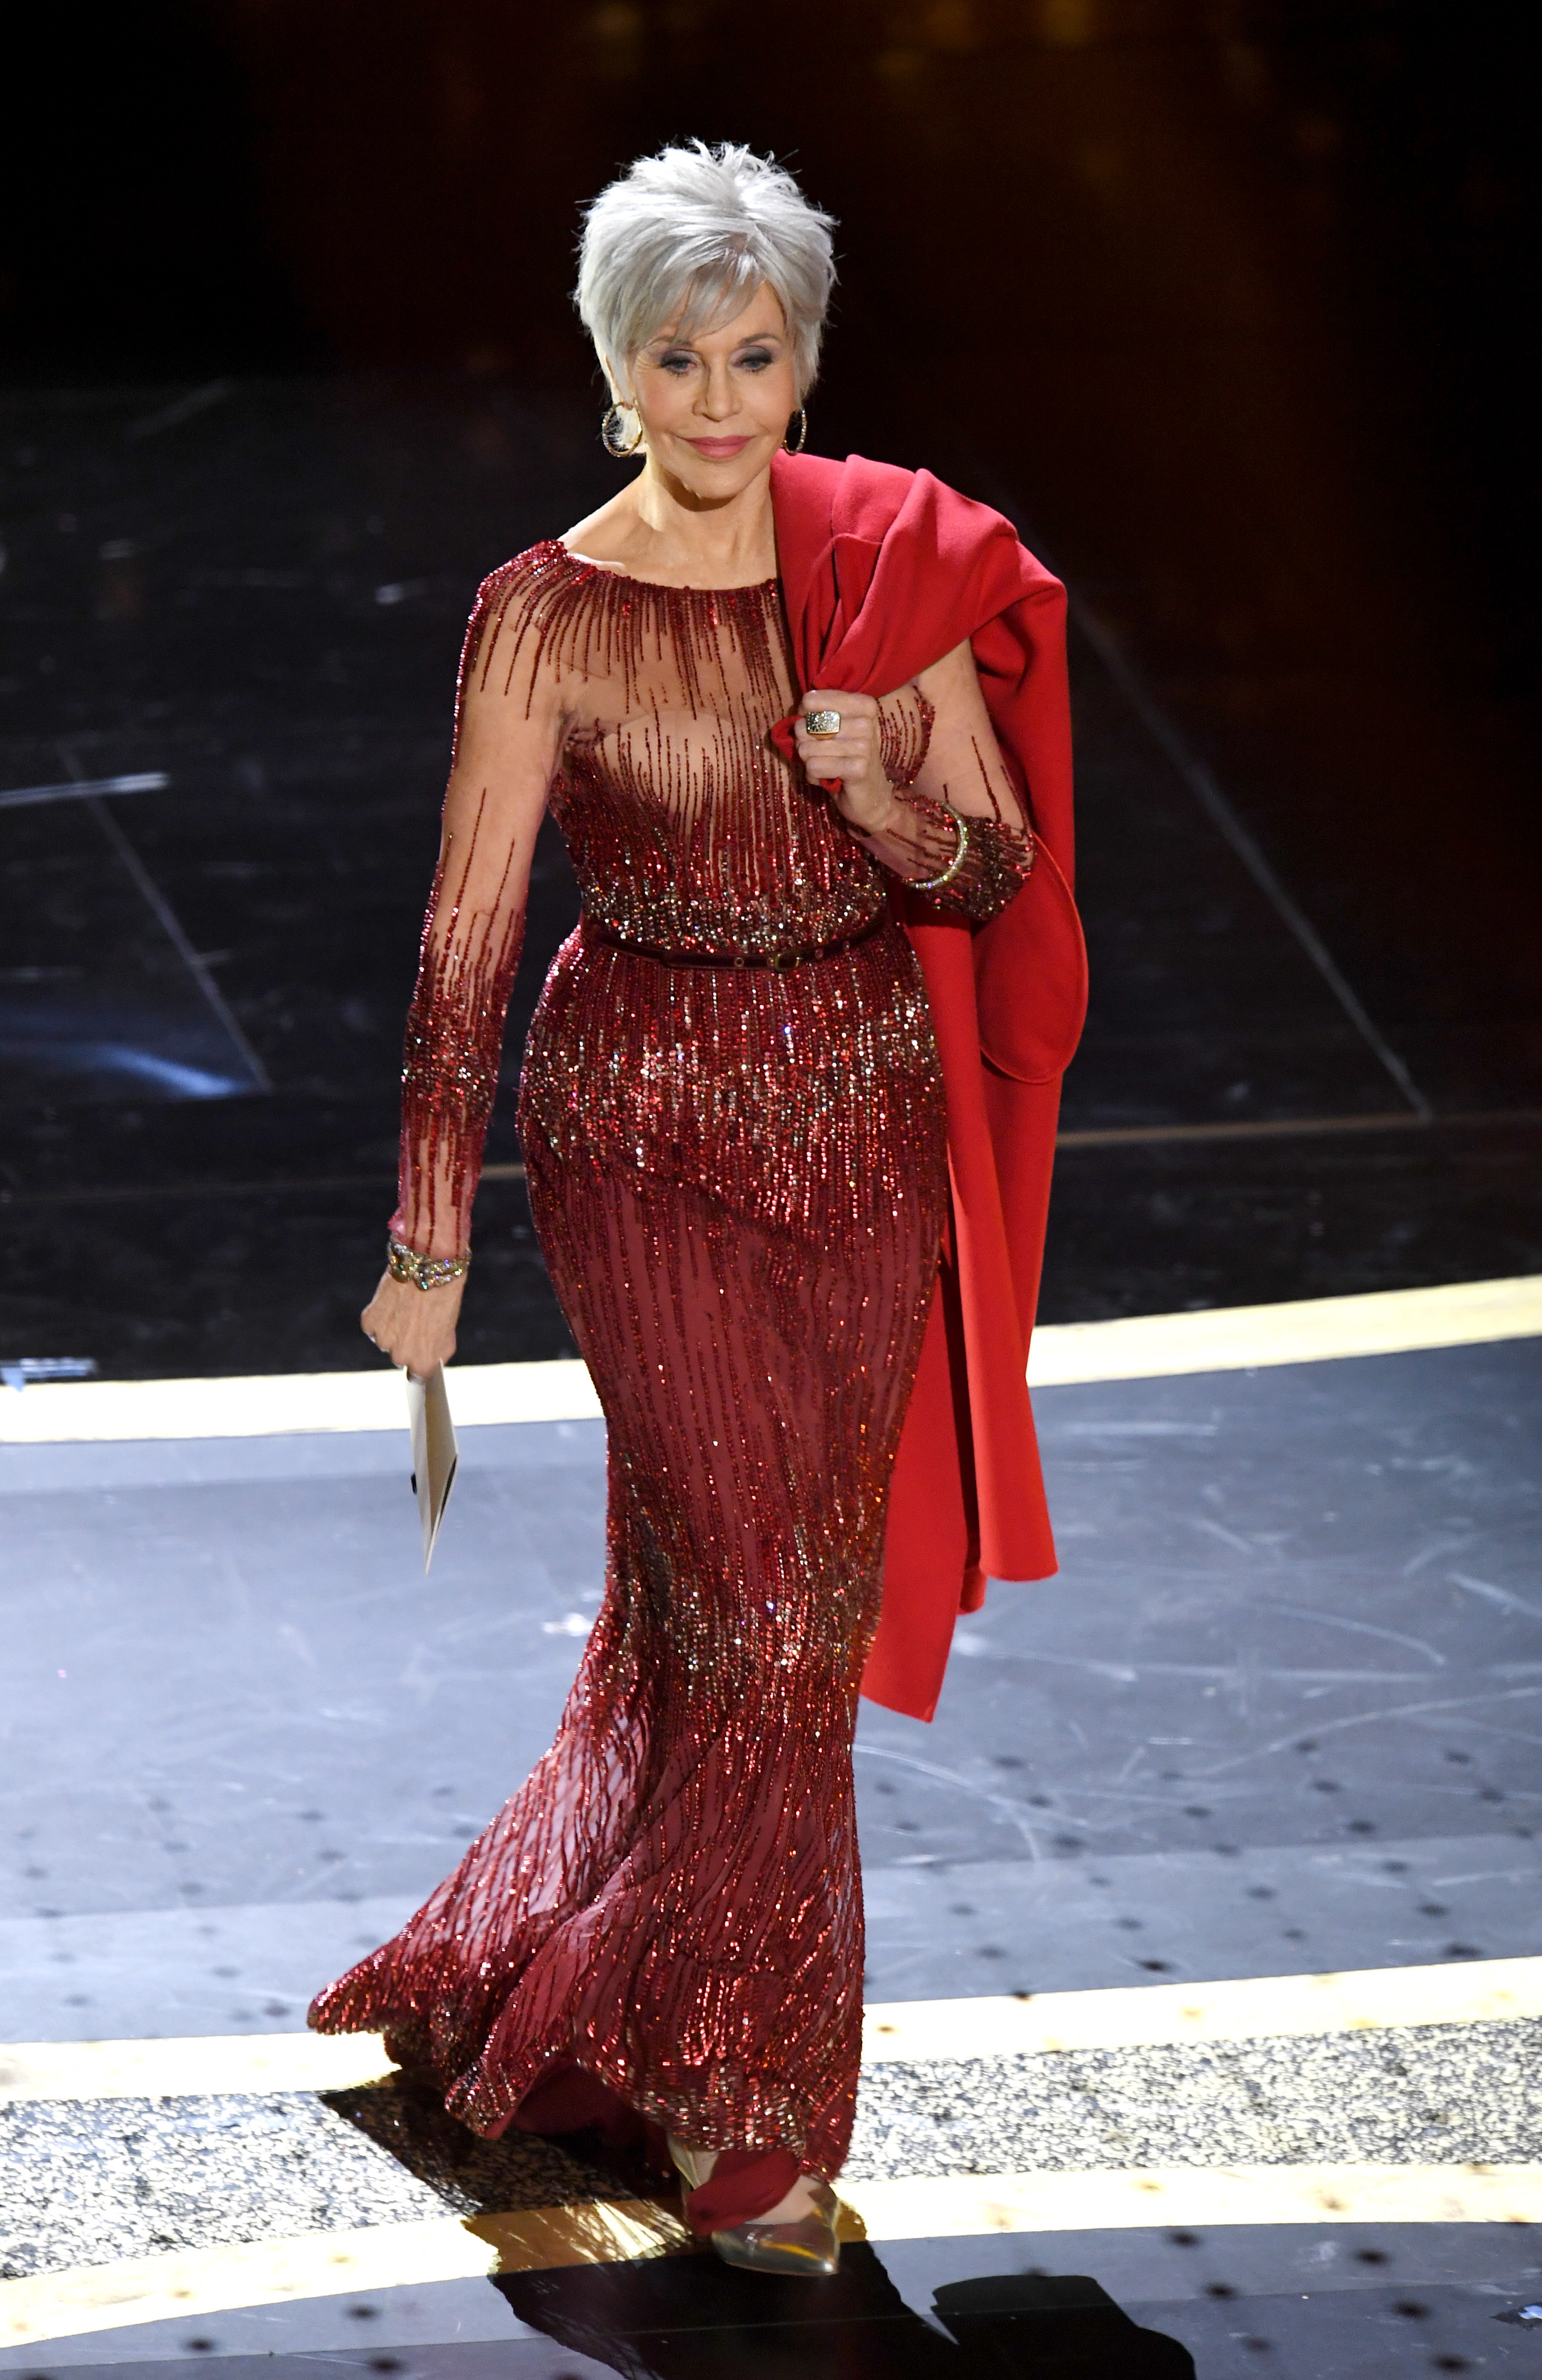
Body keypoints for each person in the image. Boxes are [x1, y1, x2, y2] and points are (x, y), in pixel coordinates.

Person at [309, 141, 1084, 2279]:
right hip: (637, 1117)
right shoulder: (544, 608)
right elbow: (466, 938)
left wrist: (879, 787)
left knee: (764, 1622)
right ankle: (744, 2103)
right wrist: (425, 1243)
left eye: (757, 353)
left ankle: (576, 1982)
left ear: (802, 355)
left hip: (856, 1110)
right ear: (614, 364)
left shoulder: (880, 580)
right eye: (680, 356)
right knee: (750, 1611)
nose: (723, 398)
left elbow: (993, 875)